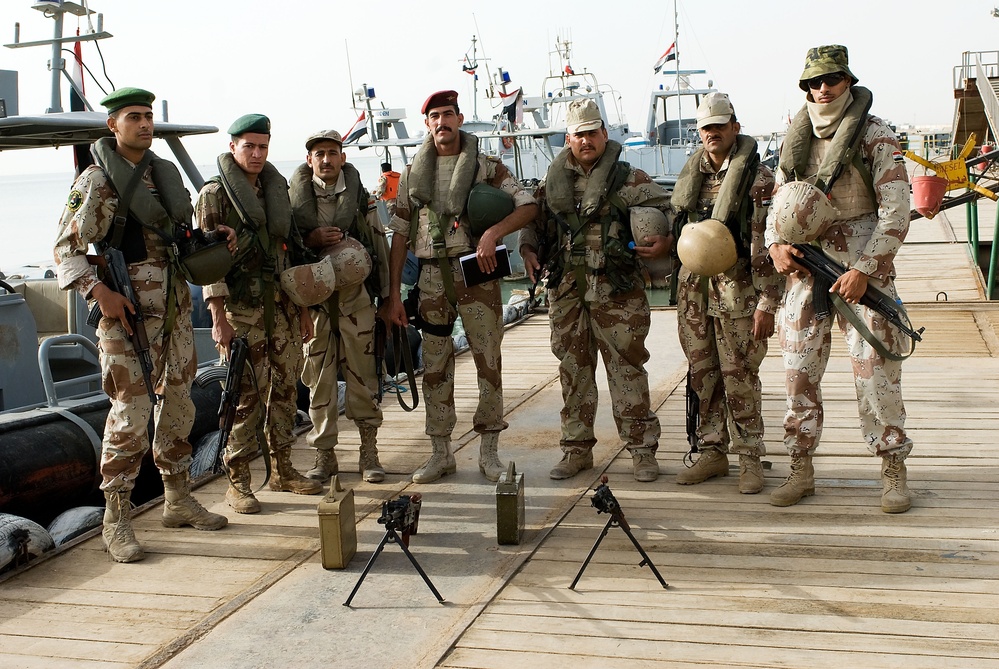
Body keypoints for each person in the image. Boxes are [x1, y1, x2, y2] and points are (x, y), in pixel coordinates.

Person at [53, 88, 231, 563]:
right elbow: (65, 251)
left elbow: (176, 237)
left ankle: (177, 498)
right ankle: (116, 518)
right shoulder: (96, 181)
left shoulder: (162, 174)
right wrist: (100, 293)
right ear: (113, 125)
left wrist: (212, 238)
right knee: (129, 416)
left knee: (178, 405)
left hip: (172, 313)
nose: (145, 123)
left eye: (150, 116)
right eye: (134, 116)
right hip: (126, 318)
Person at [765, 45, 913, 513]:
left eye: (830, 79)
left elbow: (896, 210)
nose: (821, 89)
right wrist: (775, 247)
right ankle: (799, 466)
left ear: (848, 80)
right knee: (798, 374)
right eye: (812, 83)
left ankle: (892, 468)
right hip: (806, 273)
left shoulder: (874, 135)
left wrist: (865, 270)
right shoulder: (795, 138)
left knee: (876, 374)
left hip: (860, 270)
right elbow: (777, 205)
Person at [382, 90, 537, 483]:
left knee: (488, 361)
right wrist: (393, 295)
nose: (442, 122)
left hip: (477, 272)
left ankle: (489, 452)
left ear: (460, 117)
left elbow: (528, 205)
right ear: (427, 123)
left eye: (448, 114)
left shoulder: (487, 167)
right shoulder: (413, 176)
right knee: (434, 366)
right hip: (432, 278)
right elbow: (400, 234)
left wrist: (493, 234)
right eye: (434, 116)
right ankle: (440, 452)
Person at [519, 98, 672, 483]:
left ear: (604, 134)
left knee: (627, 368)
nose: (586, 141)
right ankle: (575, 450)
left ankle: (641, 450)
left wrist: (665, 243)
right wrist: (526, 250)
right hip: (568, 291)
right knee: (573, 370)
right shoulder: (550, 185)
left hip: (617, 291)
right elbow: (532, 226)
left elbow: (668, 215)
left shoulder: (630, 179)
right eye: (578, 135)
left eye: (592, 133)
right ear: (567, 139)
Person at [195, 113, 322, 514]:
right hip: (241, 314)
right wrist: (218, 320)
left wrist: (302, 310)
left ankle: (284, 468)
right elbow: (207, 263)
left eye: (262, 147)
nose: (256, 153)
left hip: (282, 310)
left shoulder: (274, 189)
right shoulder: (215, 195)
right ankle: (238, 481)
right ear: (233, 147)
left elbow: (287, 252)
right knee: (245, 400)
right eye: (248, 146)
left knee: (285, 392)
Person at [671, 92, 783, 494]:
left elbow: (771, 243)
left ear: (735, 126)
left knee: (740, 375)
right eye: (706, 127)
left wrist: (769, 302)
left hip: (739, 292)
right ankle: (713, 451)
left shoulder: (761, 180)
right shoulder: (692, 174)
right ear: (698, 131)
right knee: (702, 374)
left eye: (720, 125)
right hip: (694, 293)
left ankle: (751, 457)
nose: (713, 132)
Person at [290, 129, 391, 483]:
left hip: (356, 301)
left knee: (363, 378)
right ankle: (324, 456)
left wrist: (388, 299)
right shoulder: (294, 203)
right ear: (310, 160)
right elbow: (287, 253)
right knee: (318, 383)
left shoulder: (361, 199)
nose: (326, 160)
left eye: (333, 153)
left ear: (342, 158)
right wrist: (310, 239)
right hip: (315, 307)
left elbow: (379, 245)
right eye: (319, 154)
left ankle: (369, 453)